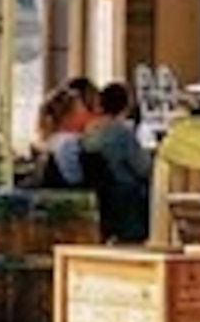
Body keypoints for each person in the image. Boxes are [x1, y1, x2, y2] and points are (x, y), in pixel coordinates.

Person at [82, 81, 154, 243]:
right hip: (126, 196)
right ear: (126, 105)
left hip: (101, 195)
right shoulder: (121, 133)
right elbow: (143, 168)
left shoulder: (89, 130)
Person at [31, 87, 91, 189]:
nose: (86, 113)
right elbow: (75, 179)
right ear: (68, 117)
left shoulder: (52, 140)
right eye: (81, 108)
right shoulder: (70, 142)